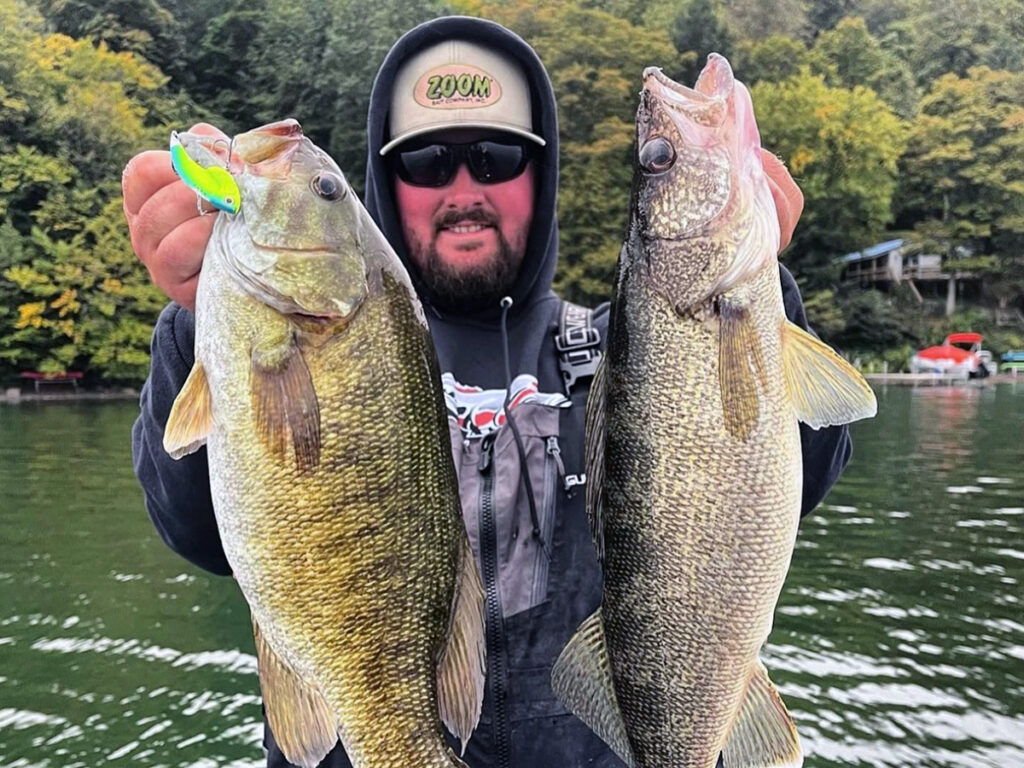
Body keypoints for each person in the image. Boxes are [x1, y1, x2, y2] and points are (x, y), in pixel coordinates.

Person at [124, 15, 851, 768]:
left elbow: (795, 481)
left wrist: (767, 307)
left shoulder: (623, 346)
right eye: (429, 161)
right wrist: (196, 322)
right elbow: (196, 530)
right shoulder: (319, 332)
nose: (464, 188)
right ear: (383, 178)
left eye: (498, 157)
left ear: (542, 176)